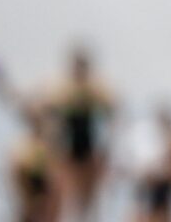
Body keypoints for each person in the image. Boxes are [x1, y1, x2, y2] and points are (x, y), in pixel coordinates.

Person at [49, 46, 115, 221]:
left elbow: (111, 119)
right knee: (68, 201)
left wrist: (105, 153)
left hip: (90, 154)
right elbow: (53, 120)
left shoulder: (97, 92)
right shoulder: (62, 92)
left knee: (89, 204)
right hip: (69, 154)